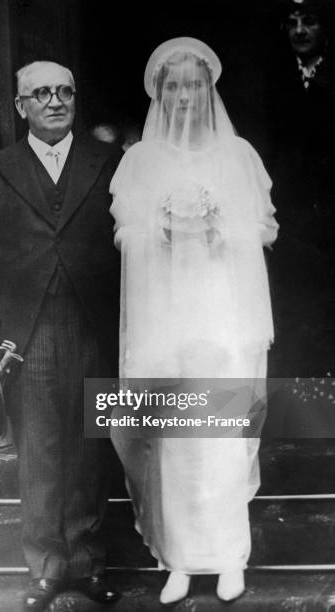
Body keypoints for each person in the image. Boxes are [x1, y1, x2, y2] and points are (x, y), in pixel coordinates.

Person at [109, 38, 278, 604]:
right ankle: (180, 559)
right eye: (174, 85)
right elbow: (121, 231)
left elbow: (267, 227)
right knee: (177, 437)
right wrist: (157, 225)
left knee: (223, 433)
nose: (185, 95)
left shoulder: (238, 156)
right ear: (160, 93)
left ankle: (230, 557)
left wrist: (216, 225)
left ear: (211, 89)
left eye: (195, 84)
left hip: (225, 311)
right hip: (166, 313)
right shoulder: (140, 161)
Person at [0, 61, 121, 611]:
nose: (55, 101)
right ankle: (48, 568)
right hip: (23, 335)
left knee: (90, 447)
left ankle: (86, 561)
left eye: (65, 92)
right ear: (20, 105)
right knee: (40, 450)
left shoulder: (108, 163)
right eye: (41, 93)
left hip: (94, 324)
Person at [267, 0, 335, 377]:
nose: (300, 31)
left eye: (309, 21)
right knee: (293, 316)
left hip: (329, 218)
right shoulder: (275, 79)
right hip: (291, 221)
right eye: (292, 22)